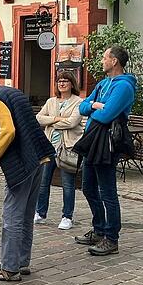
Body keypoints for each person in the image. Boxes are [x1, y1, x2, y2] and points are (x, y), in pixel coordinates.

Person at [0, 70, 55, 281]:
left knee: (12, 217)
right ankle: (22, 261)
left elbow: (8, 131)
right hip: (38, 158)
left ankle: (9, 268)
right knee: (26, 215)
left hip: (22, 164)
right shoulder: (13, 92)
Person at [74, 46, 136, 256]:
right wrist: (95, 105)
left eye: (104, 57)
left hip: (107, 143)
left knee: (107, 191)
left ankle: (112, 238)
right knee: (88, 187)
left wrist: (96, 107)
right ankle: (99, 229)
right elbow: (81, 107)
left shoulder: (124, 86)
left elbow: (107, 115)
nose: (102, 60)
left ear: (114, 61)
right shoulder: (102, 84)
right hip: (93, 141)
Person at [34, 71, 84, 231]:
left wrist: (52, 122)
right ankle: (40, 213)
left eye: (65, 81)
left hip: (67, 147)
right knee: (43, 182)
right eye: (59, 81)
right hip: (49, 147)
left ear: (72, 84)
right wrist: (56, 119)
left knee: (67, 184)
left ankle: (67, 216)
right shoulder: (51, 101)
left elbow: (73, 122)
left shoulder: (78, 102)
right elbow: (39, 118)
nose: (62, 84)